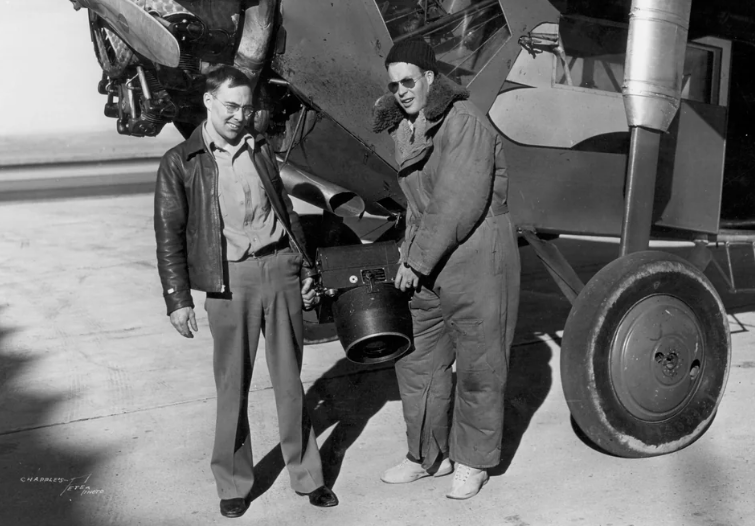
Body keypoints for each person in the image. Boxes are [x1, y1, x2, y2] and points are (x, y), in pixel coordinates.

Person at [154, 65, 338, 518]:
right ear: (209, 101)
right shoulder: (181, 162)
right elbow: (168, 235)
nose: (239, 115)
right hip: (229, 283)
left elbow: (285, 210)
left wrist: (304, 264)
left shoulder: (261, 151)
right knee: (232, 387)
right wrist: (177, 300)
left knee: (290, 383)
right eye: (230, 105)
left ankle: (308, 476)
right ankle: (233, 483)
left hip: (280, 270)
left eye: (246, 106)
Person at [371, 38, 521, 500]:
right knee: (417, 362)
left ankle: (472, 461)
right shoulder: (409, 127)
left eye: (409, 81)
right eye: (394, 84)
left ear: (431, 78)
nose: (401, 91)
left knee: (479, 364)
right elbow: (422, 207)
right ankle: (426, 456)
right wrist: (408, 252)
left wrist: (415, 260)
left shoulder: (464, 122)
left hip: (478, 254)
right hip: (431, 256)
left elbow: (457, 201)